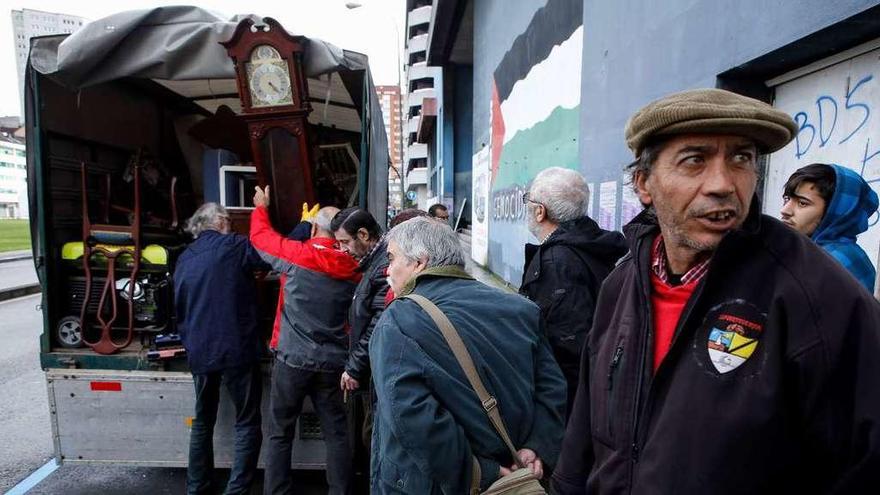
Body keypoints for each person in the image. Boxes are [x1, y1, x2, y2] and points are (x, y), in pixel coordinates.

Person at [552, 88, 880, 494]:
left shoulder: (819, 297)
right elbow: (586, 425)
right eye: (695, 160)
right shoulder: (622, 284)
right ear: (643, 184)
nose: (723, 184)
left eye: (741, 158)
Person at [370, 217, 567, 493]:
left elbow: (412, 415)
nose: (387, 270)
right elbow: (552, 388)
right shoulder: (521, 309)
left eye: (392, 258)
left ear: (419, 262)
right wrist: (536, 446)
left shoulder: (399, 320)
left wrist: (479, 472)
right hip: (516, 472)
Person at [249, 186, 361, 495]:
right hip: (333, 364)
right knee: (337, 433)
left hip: (292, 360)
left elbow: (260, 240)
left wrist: (262, 208)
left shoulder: (297, 255)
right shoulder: (353, 269)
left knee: (280, 432)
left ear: (313, 228)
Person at [173, 202, 267, 495]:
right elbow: (269, 256)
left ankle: (197, 487)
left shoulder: (184, 257)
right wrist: (304, 227)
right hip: (237, 348)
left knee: (203, 421)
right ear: (221, 221)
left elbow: (179, 307)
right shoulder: (234, 246)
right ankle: (236, 490)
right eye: (228, 219)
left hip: (199, 350)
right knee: (247, 421)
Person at [520, 167, 627, 416]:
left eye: (529, 199)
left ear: (540, 212)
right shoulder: (598, 244)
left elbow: (566, 349)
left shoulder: (557, 263)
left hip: (576, 404)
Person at [330, 207, 389, 489]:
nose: (341, 250)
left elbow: (377, 320)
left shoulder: (382, 267)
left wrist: (354, 366)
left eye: (344, 242)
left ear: (363, 235)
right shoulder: (373, 263)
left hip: (371, 373)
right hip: (369, 370)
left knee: (371, 437)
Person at [780, 163, 879, 292]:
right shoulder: (812, 253)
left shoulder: (830, 264)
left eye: (802, 203)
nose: (785, 210)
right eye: (787, 199)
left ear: (833, 211)